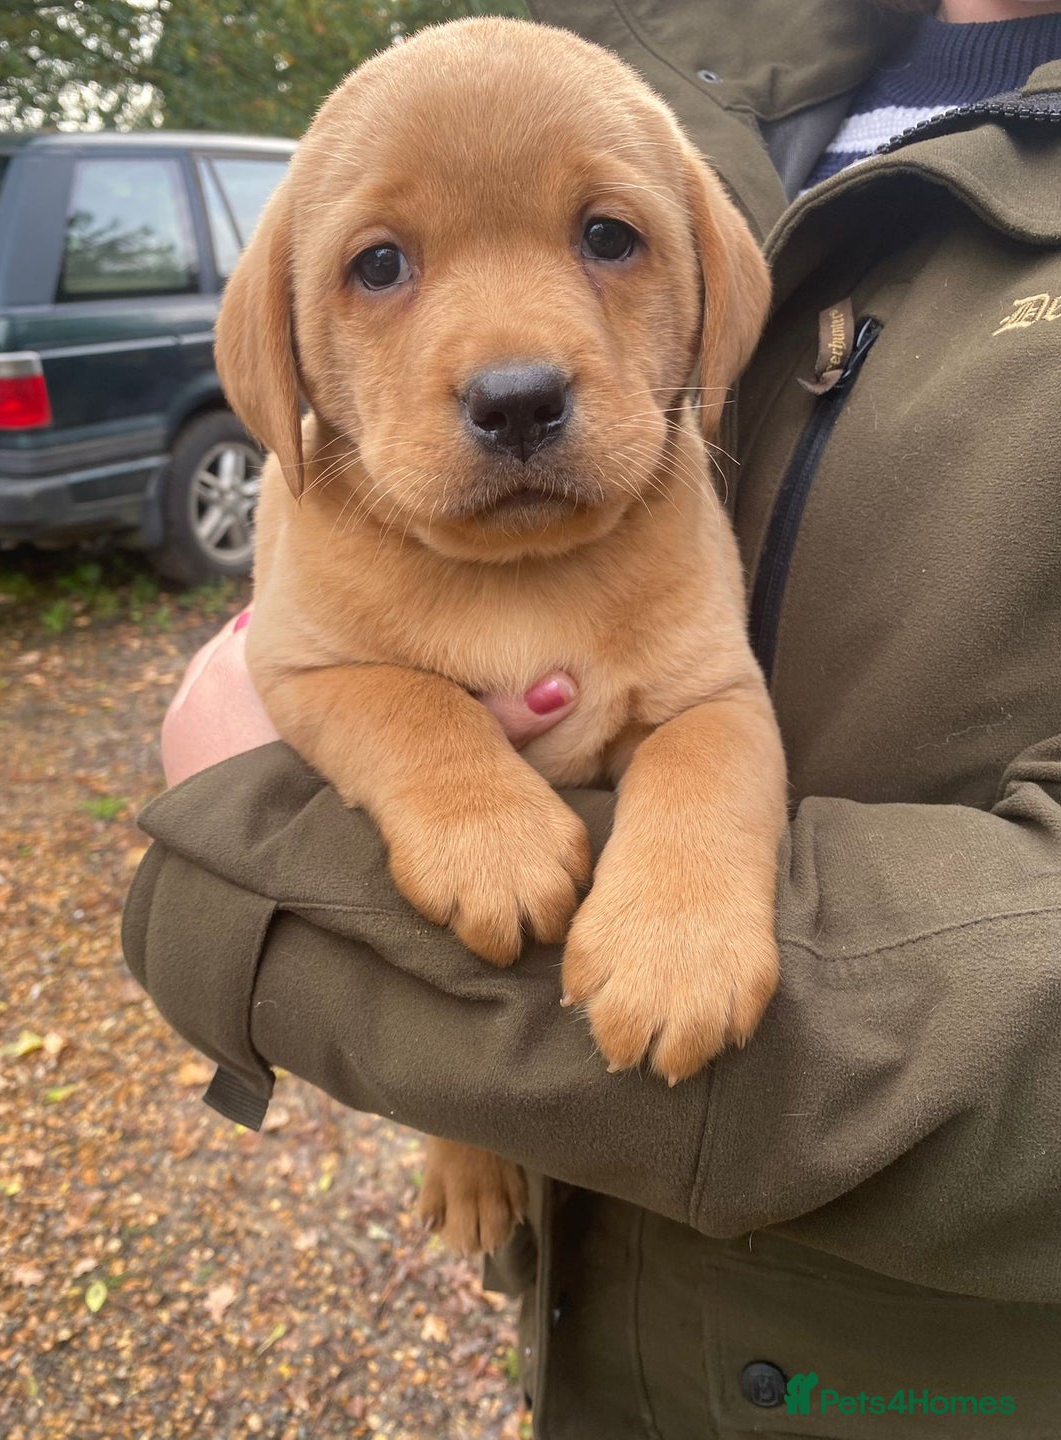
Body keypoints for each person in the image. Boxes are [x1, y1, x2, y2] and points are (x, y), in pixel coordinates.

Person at [124, 0, 1061, 1434]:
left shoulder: (668, 475)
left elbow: (708, 702)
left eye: (607, 239)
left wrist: (689, 866)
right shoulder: (726, 73)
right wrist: (437, 772)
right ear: (284, 352)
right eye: (381, 265)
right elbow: (300, 672)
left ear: (714, 305)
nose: (513, 363)